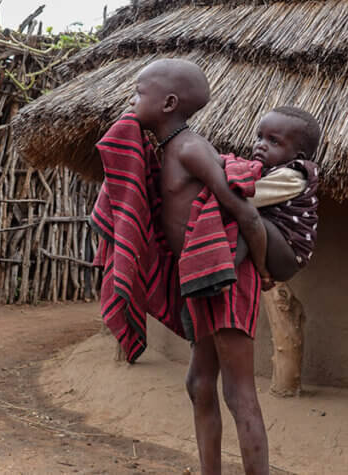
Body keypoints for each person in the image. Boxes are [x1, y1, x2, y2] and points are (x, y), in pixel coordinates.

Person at [127, 58, 270, 475]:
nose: (133, 100)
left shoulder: (190, 148)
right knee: (198, 384)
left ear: (168, 103)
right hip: (201, 279)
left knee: (238, 391)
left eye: (139, 92)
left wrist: (261, 270)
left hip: (225, 274)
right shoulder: (169, 148)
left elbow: (245, 213)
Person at [241, 106, 321, 283]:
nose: (261, 145)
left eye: (273, 141)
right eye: (259, 137)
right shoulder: (265, 170)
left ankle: (221, 273)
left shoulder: (292, 176)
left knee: (243, 213)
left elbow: (246, 196)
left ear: (296, 155)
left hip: (288, 255)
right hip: (273, 243)